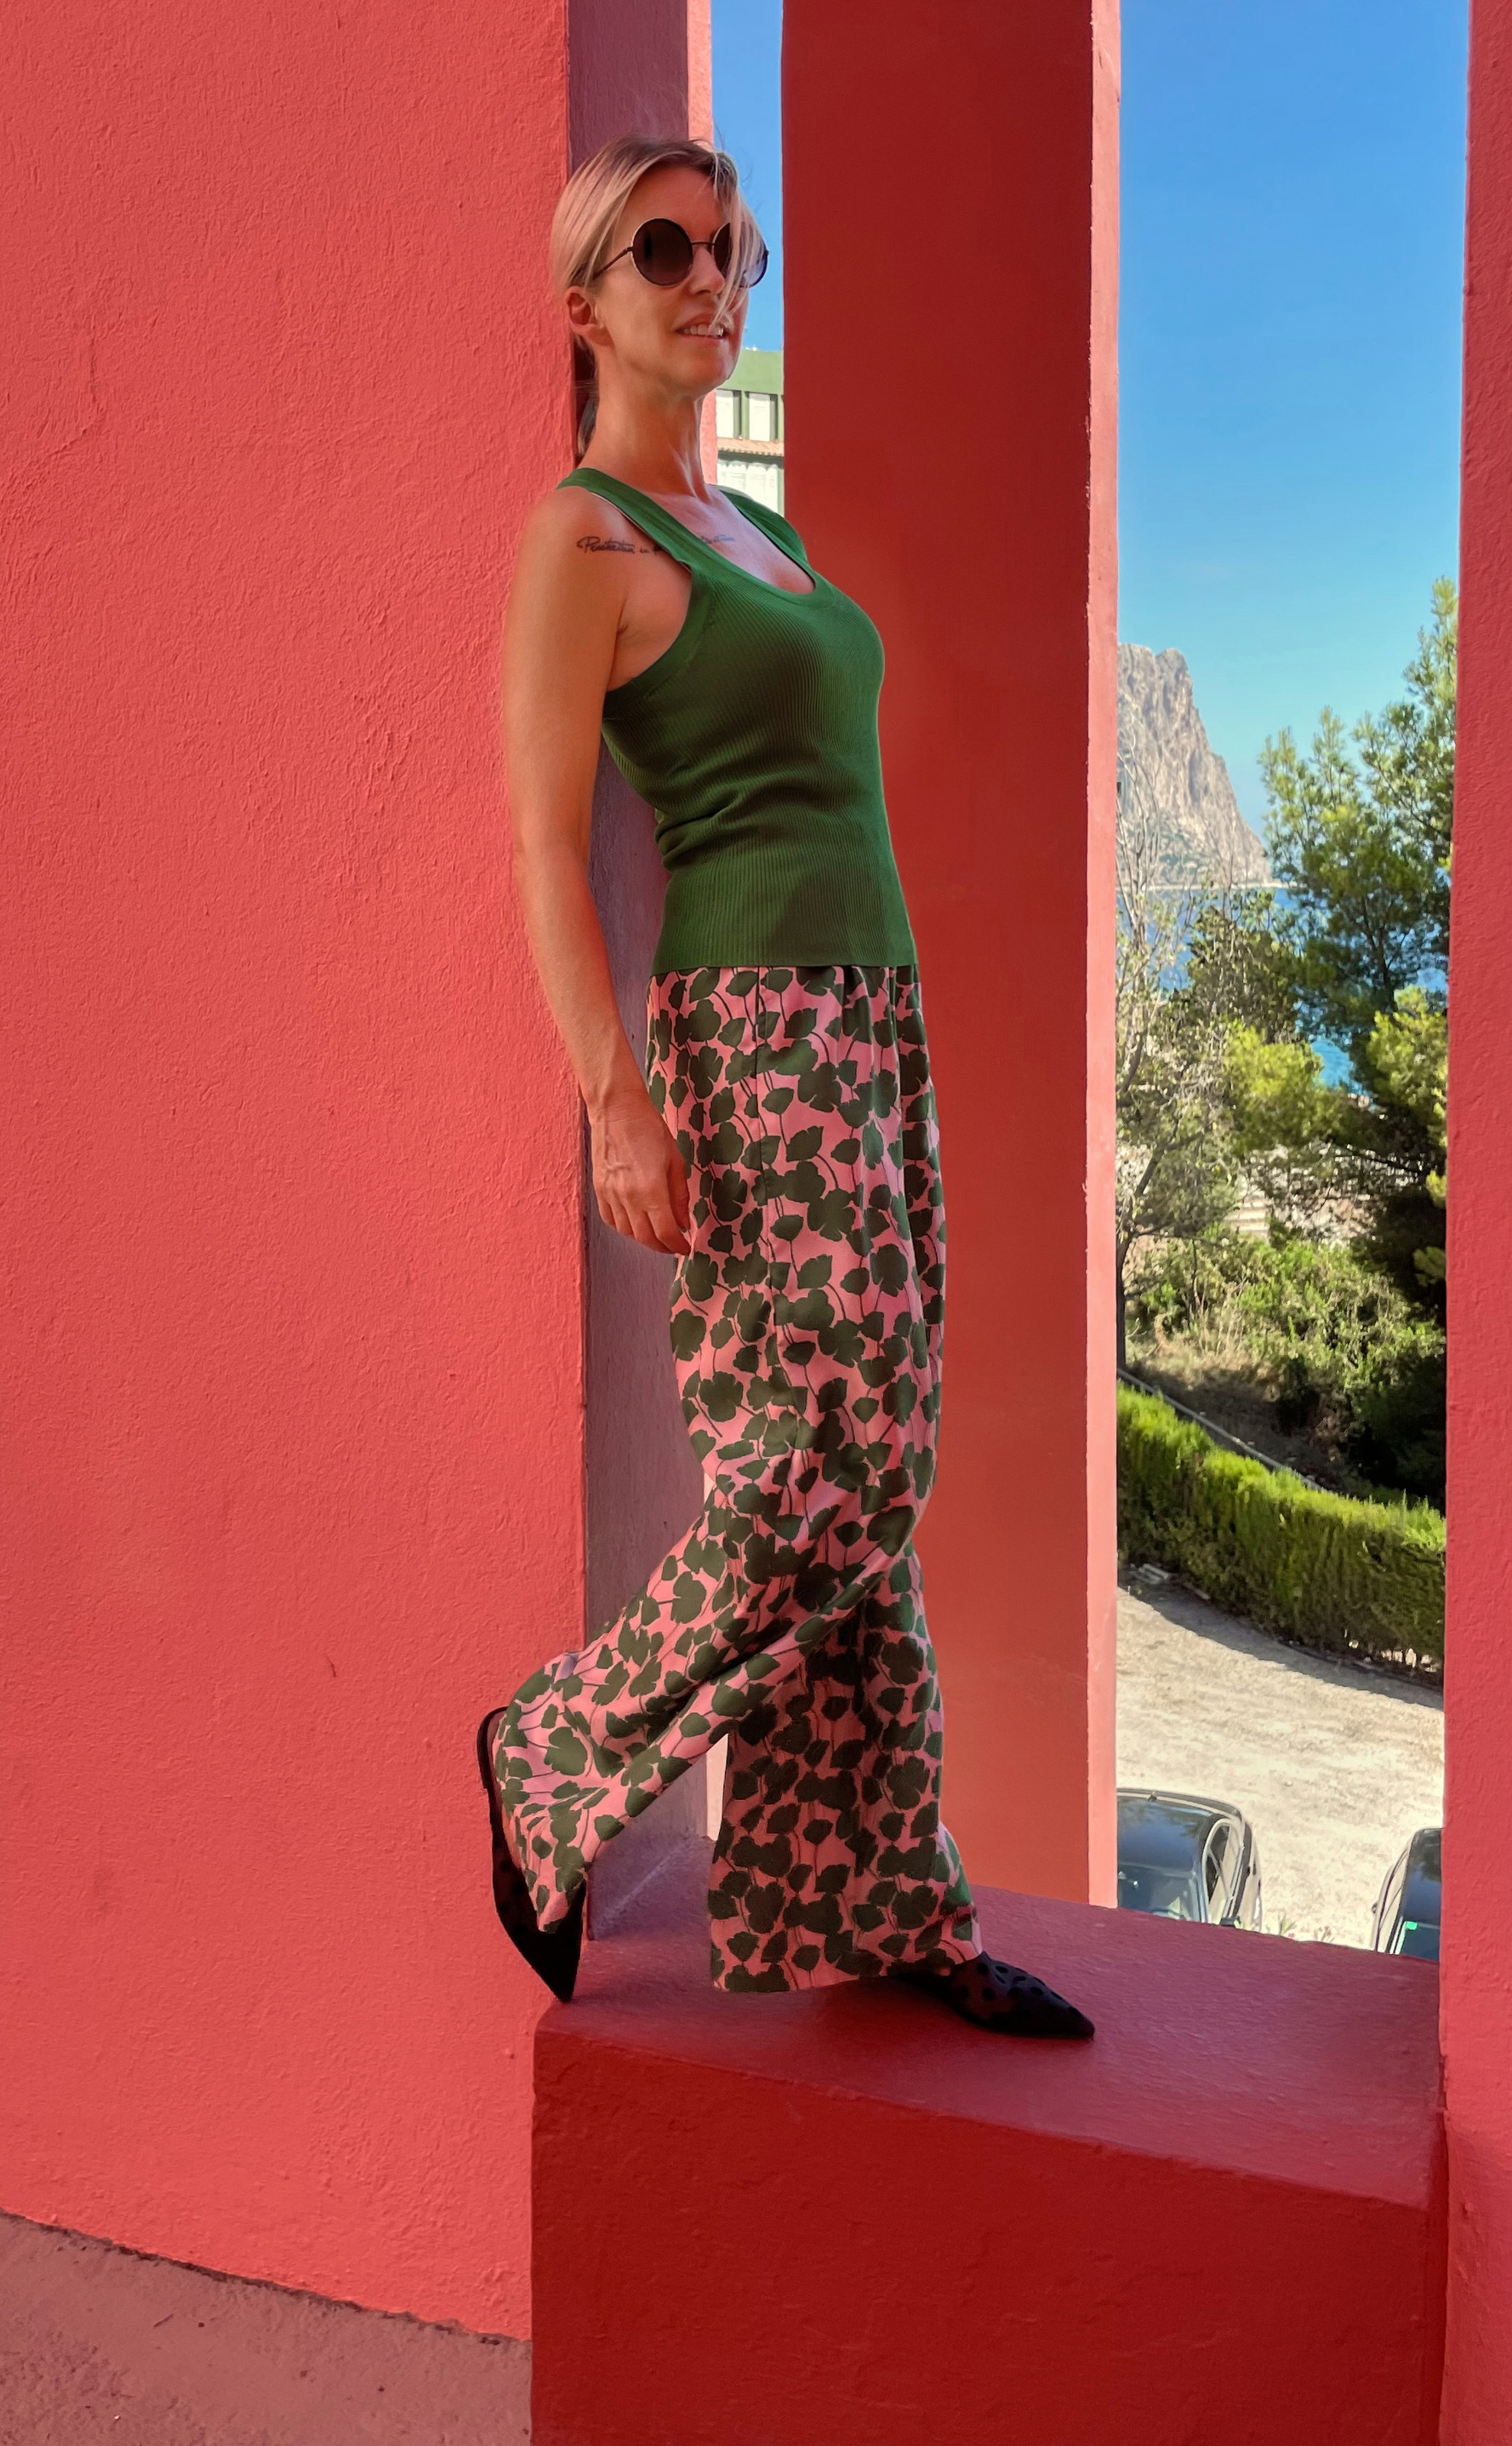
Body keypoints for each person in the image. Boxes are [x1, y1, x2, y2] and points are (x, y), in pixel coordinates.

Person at [476, 134, 1093, 2039]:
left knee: (864, 1471)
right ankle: (554, 1743)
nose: (713, 280)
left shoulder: (762, 530)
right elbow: (544, 838)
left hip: (870, 1018)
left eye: (736, 252)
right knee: (829, 1459)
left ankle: (877, 1897)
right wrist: (615, 1096)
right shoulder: (586, 539)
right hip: (753, 1031)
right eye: (667, 249)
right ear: (586, 301)